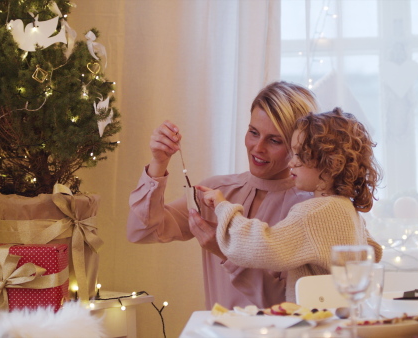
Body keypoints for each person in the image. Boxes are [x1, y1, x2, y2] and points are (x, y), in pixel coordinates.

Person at [127, 82, 319, 309]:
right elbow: (140, 231)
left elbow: (289, 306)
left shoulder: (309, 209)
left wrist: (224, 249)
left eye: (274, 140)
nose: (257, 147)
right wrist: (158, 163)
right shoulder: (217, 193)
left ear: (299, 145)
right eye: (253, 132)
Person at [198, 107, 384, 302]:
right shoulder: (347, 210)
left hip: (314, 324)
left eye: (299, 154)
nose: (291, 163)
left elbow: (263, 246)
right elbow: (373, 251)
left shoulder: (314, 213)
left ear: (329, 163)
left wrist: (223, 207)